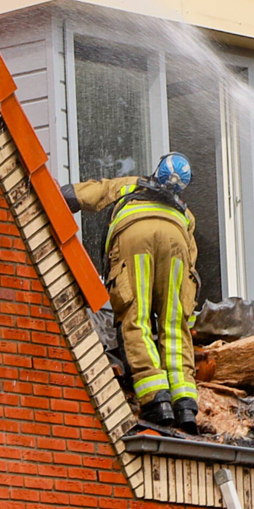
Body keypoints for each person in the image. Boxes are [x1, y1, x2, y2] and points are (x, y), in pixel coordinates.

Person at [61, 153, 200, 432]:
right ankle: (185, 404)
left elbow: (95, 192)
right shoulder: (185, 213)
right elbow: (191, 266)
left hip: (135, 239)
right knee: (174, 325)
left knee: (136, 317)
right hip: (176, 244)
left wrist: (64, 194)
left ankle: (156, 399)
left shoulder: (132, 185)